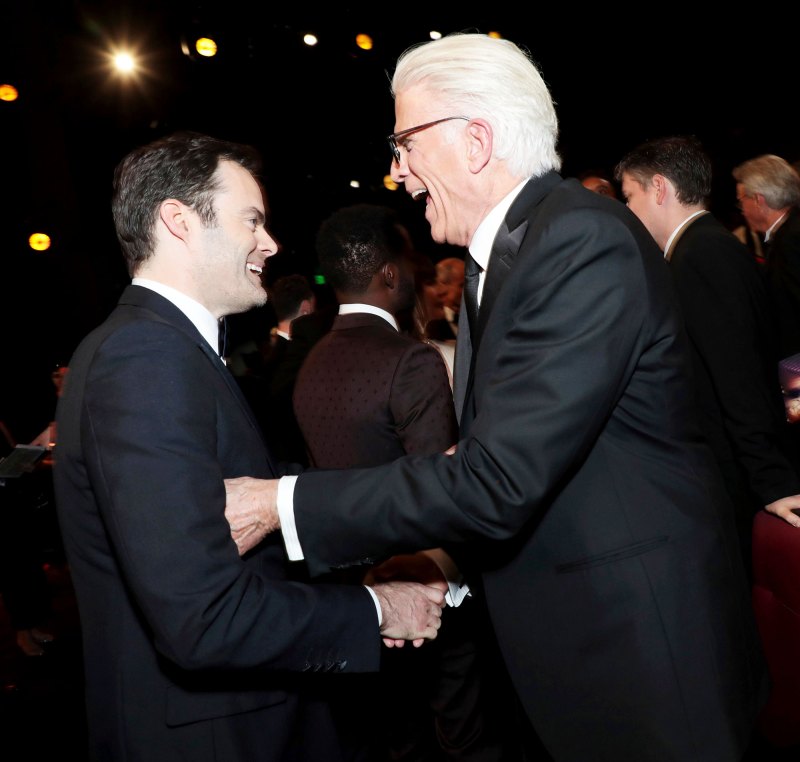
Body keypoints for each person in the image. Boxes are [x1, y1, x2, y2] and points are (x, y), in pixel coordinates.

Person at [223, 33, 768, 762]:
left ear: (475, 140)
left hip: (644, 651)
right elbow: (510, 453)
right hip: (585, 641)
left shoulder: (577, 239)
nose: (397, 173)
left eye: (405, 144)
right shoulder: (510, 254)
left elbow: (499, 478)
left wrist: (276, 504)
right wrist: (441, 564)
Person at [52, 131, 445, 762]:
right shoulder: (145, 356)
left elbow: (254, 493)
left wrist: (399, 510)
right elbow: (201, 615)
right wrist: (374, 608)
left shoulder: (166, 347)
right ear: (178, 221)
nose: (270, 242)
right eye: (251, 220)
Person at [293, 202, 505, 760]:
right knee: (464, 736)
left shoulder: (313, 362)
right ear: (390, 274)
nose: (416, 273)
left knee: (389, 739)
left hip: (349, 598)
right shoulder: (410, 361)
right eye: (409, 262)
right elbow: (441, 493)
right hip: (422, 589)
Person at [614, 135, 800, 555]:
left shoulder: (702, 255)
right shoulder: (701, 247)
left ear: (658, 188)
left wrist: (772, 480)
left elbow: (738, 374)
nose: (627, 211)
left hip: (735, 477)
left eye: (629, 196)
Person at [732, 154, 800, 360]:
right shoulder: (789, 232)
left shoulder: (791, 240)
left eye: (741, 201)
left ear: (758, 200)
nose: (741, 210)